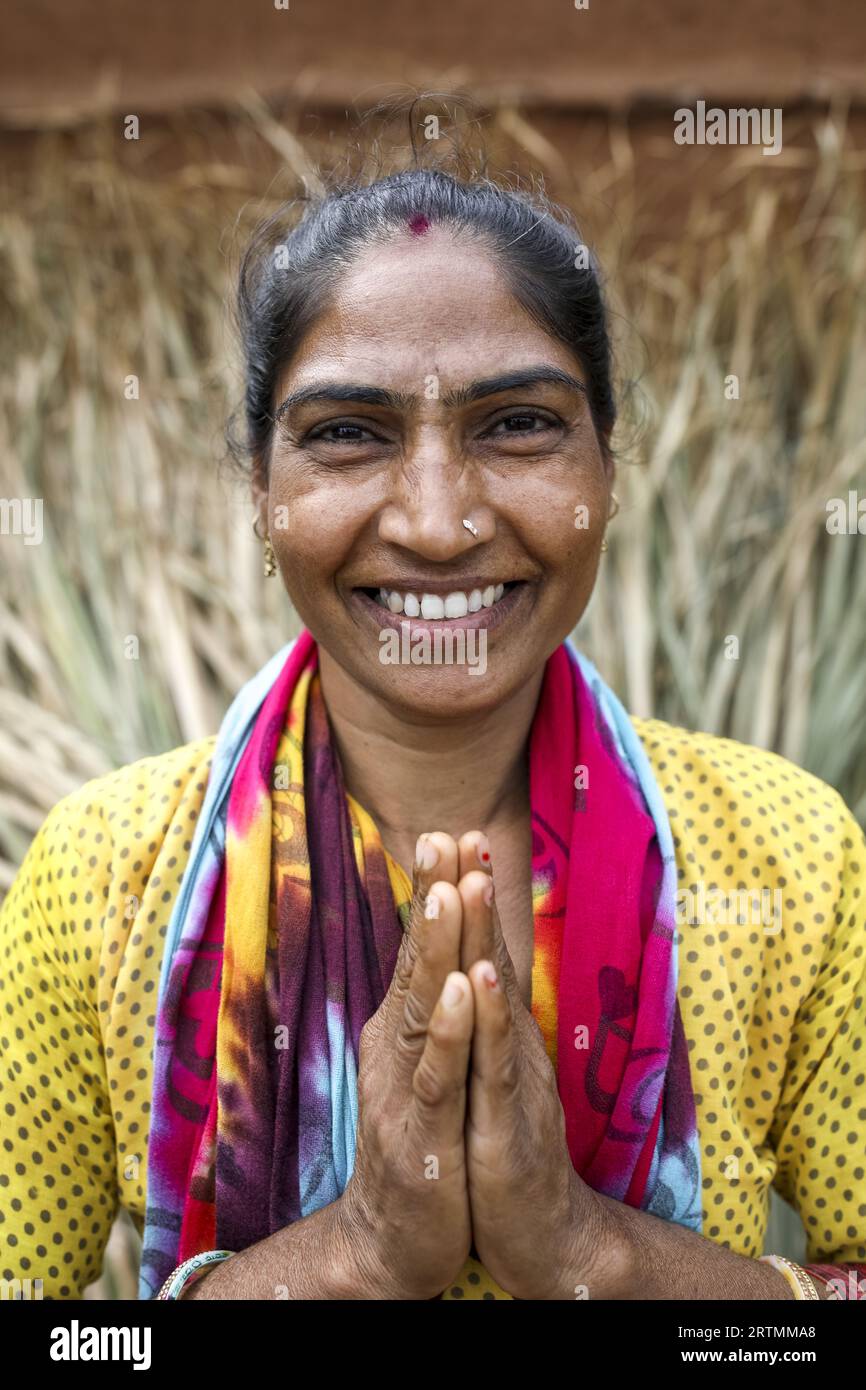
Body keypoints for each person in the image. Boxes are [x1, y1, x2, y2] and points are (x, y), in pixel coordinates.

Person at [1, 164, 865, 1301]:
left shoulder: (779, 858)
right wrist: (348, 1255)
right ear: (261, 489)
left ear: (604, 470)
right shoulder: (107, 880)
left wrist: (587, 1252)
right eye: (347, 433)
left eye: (515, 424)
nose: (436, 519)